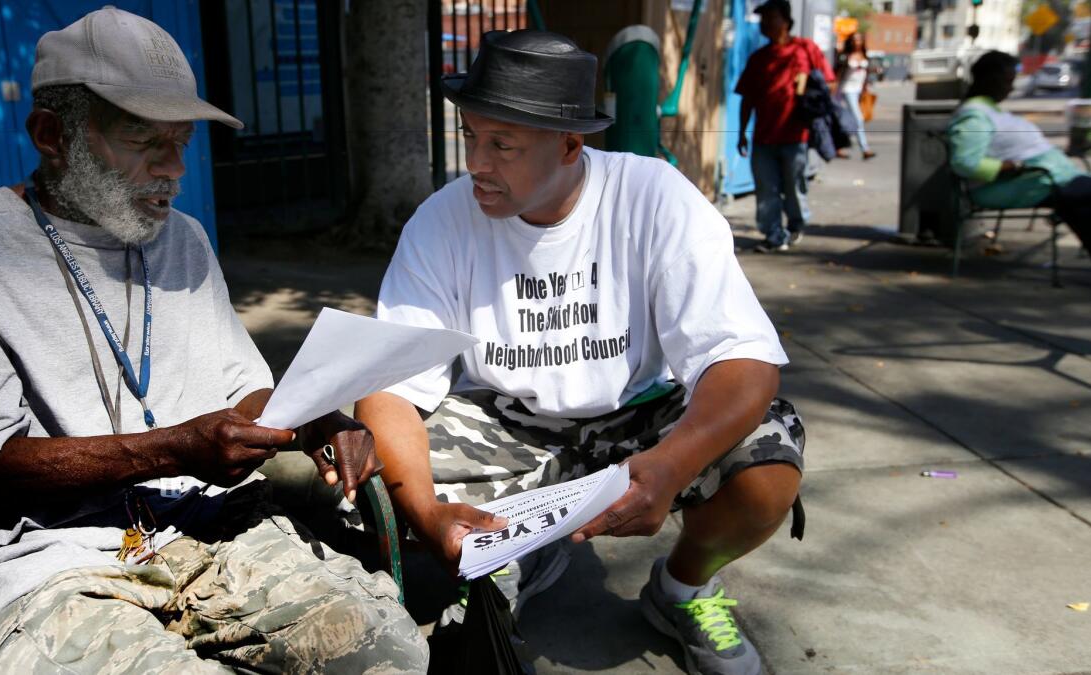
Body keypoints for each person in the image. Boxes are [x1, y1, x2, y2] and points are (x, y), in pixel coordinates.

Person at [0, 9, 427, 674]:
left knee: (388, 653)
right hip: (42, 566)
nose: (173, 170)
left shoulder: (183, 238)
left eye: (180, 143)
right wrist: (174, 446)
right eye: (145, 142)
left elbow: (242, 391)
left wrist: (315, 414)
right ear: (51, 135)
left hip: (203, 527)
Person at [355, 30, 805, 675]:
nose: (478, 162)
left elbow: (743, 359)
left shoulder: (653, 196)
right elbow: (391, 385)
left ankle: (682, 590)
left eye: (503, 145)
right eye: (470, 136)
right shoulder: (442, 220)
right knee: (364, 482)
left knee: (766, 459)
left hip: (641, 416)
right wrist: (426, 515)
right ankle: (518, 554)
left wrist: (672, 466)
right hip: (508, 420)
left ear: (571, 144)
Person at [948, 51, 1091, 264]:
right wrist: (1012, 165)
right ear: (989, 79)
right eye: (1007, 81)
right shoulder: (974, 117)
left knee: (1084, 202)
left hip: (1046, 179)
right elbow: (964, 163)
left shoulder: (989, 110)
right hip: (1021, 183)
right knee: (1087, 198)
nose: (1010, 88)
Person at [735, 0, 836, 253]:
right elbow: (747, 99)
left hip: (795, 135)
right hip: (763, 137)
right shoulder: (759, 58)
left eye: (772, 17)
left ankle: (795, 226)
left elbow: (829, 83)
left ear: (786, 20)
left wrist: (812, 98)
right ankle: (773, 234)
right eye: (763, 18)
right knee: (766, 190)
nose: (766, 23)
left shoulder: (805, 49)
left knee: (794, 186)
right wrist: (741, 133)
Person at [834, 33, 876, 160]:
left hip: (859, 91)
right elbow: (838, 74)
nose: (857, 42)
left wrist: (865, 87)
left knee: (846, 120)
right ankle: (865, 148)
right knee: (858, 119)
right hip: (847, 90)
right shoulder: (845, 56)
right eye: (855, 40)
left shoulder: (865, 55)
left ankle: (838, 146)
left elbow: (866, 73)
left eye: (859, 39)